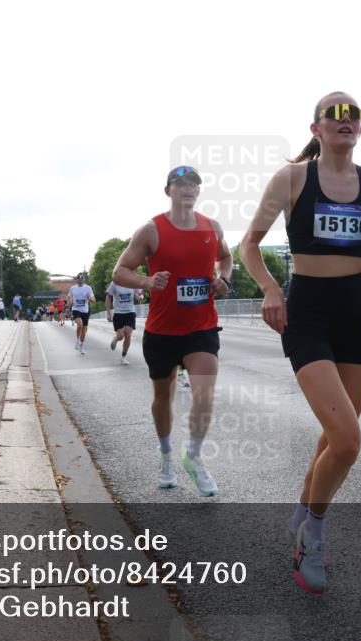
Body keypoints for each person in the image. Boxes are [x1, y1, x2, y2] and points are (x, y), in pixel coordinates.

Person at [239, 92, 361, 595]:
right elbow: (248, 244)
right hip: (308, 312)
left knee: (333, 434)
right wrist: (270, 289)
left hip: (356, 314)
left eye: (353, 114)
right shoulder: (292, 179)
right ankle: (314, 536)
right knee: (347, 440)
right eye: (334, 113)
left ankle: (304, 510)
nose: (345, 120)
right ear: (316, 128)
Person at [113, 166, 232, 496]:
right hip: (162, 331)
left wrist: (224, 279)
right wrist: (147, 281)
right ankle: (166, 455)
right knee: (162, 398)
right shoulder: (151, 230)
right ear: (168, 191)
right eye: (180, 185)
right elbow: (120, 271)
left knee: (205, 392)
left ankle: (193, 456)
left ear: (199, 191)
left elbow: (226, 258)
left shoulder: (212, 227)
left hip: (201, 327)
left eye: (193, 184)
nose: (188, 189)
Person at [106, 278, 141, 365]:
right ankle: (116, 338)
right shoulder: (115, 283)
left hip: (130, 311)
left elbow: (140, 293)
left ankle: (123, 357)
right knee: (121, 336)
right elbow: (108, 297)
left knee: (128, 334)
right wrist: (108, 313)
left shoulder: (133, 281)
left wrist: (139, 297)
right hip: (118, 313)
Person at [68, 274, 96, 353]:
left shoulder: (88, 288)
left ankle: (81, 345)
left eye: (82, 279)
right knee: (79, 325)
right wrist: (70, 302)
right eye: (79, 279)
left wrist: (90, 298)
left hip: (85, 310)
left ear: (84, 280)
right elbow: (69, 297)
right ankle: (77, 340)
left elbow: (94, 299)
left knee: (84, 329)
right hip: (76, 309)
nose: (80, 280)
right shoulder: (72, 288)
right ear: (76, 280)